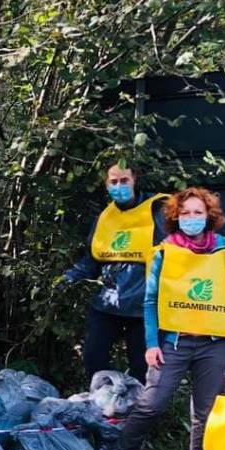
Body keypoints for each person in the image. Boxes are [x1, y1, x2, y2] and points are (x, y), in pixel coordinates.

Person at [108, 187, 225, 450]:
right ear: (175, 217)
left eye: (197, 212)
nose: (191, 218)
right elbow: (151, 300)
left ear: (209, 216)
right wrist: (152, 343)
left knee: (206, 413)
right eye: (185, 213)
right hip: (174, 342)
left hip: (215, 344)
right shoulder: (164, 251)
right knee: (152, 401)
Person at [61, 162, 167, 383]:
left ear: (135, 179)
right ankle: (99, 408)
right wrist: (69, 277)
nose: (119, 186)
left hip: (144, 306)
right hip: (107, 302)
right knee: (93, 358)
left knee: (141, 368)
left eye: (124, 180)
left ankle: (138, 414)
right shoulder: (105, 217)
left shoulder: (157, 211)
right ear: (106, 185)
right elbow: (93, 258)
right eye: (114, 182)